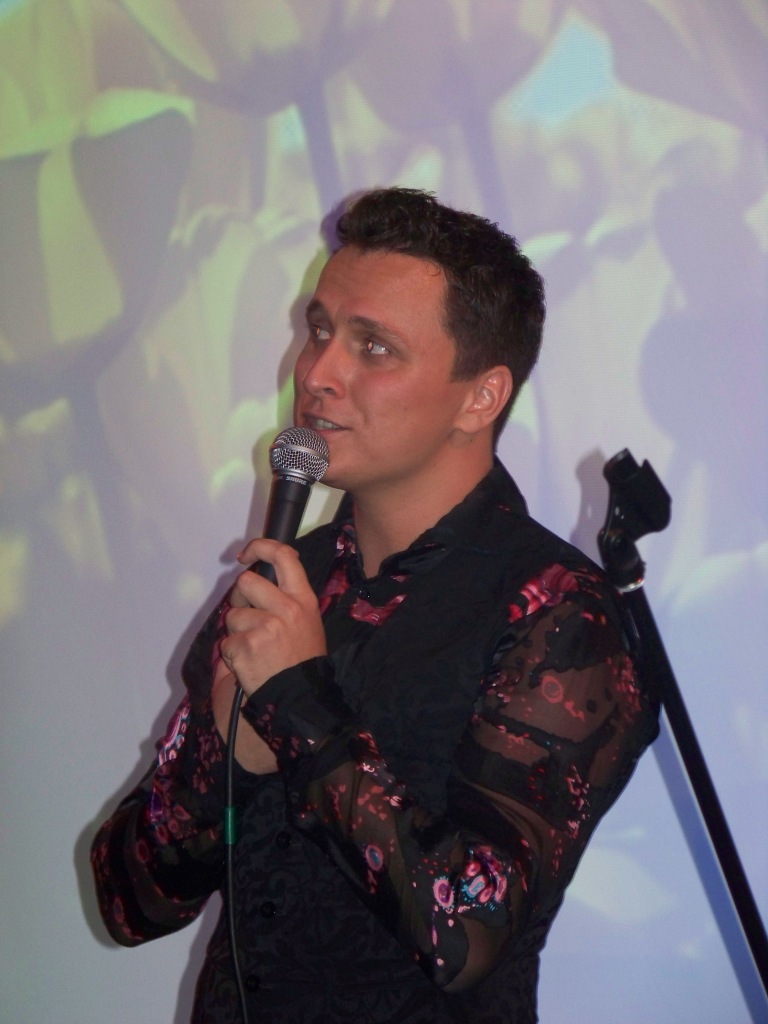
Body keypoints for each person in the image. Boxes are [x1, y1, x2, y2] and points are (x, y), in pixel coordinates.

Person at [91, 187, 659, 1023]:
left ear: (480, 397)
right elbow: (128, 903)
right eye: (319, 330)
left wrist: (298, 708)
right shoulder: (286, 583)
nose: (317, 373)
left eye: (375, 348)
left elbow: (465, 934)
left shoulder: (560, 614)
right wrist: (224, 756)